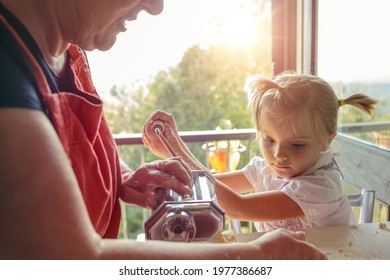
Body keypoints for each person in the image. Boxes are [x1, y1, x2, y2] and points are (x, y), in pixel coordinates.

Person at [0, 0, 327, 259]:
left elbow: (71, 149)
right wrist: (254, 256)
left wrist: (124, 178)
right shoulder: (7, 61)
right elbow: (65, 257)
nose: (156, 6)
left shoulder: (71, 48)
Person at [143, 72, 377, 232]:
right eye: (269, 139)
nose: (279, 155)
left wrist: (175, 150)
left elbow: (236, 207)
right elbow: (210, 187)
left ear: (327, 140)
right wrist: (175, 148)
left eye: (297, 145)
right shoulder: (265, 169)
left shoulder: (320, 188)